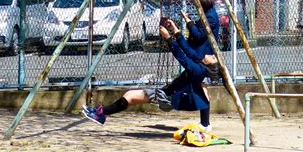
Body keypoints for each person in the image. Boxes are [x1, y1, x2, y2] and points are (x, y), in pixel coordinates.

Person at [82, 20, 220, 132]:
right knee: (130, 97)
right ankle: (205, 124)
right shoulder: (199, 63)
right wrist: (175, 31)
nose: (211, 55)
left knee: (130, 95)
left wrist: (168, 38)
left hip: (167, 97)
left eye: (213, 58)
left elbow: (181, 57)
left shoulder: (198, 70)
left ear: (208, 66)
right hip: (167, 94)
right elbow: (187, 50)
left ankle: (101, 114)